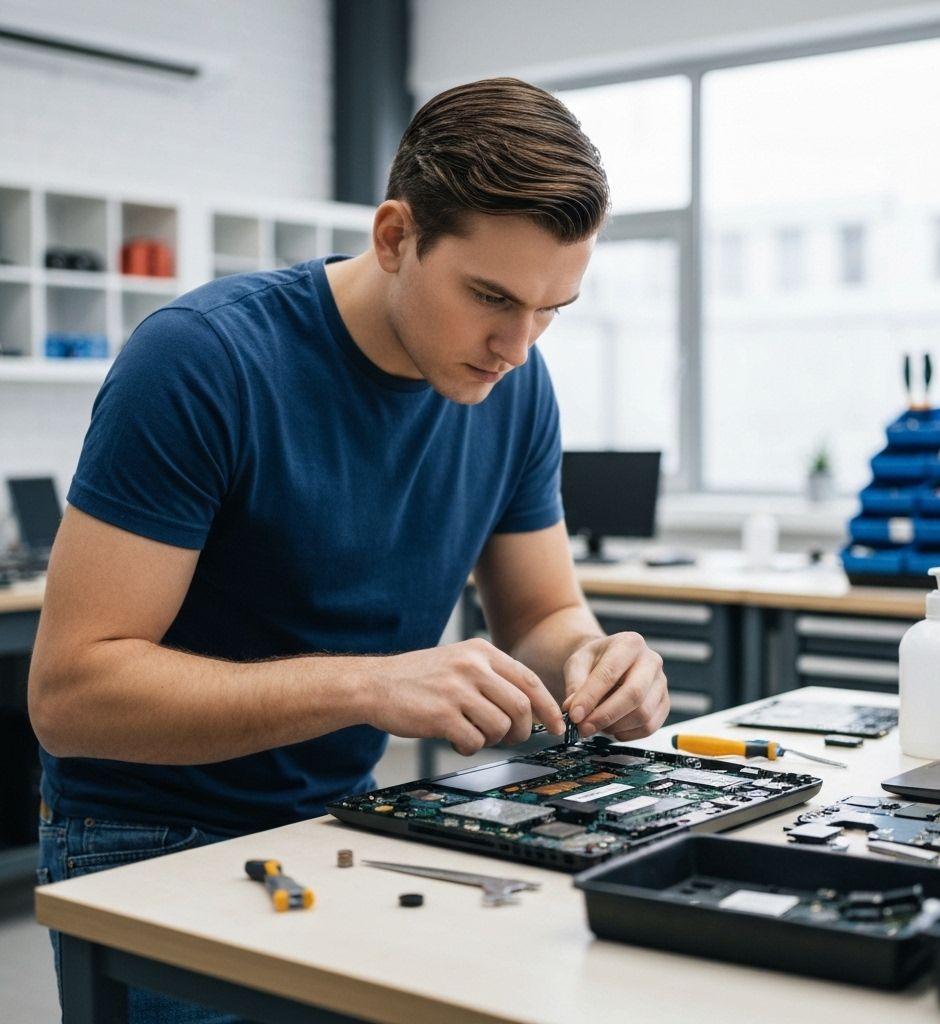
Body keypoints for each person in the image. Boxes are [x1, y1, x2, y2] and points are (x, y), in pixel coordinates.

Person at [29, 77, 669, 1021]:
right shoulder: (203, 361)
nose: (515, 346)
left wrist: (595, 659)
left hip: (345, 818)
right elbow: (72, 697)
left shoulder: (516, 390)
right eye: (491, 296)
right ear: (395, 237)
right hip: (147, 835)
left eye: (551, 311)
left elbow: (539, 613)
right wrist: (369, 685)